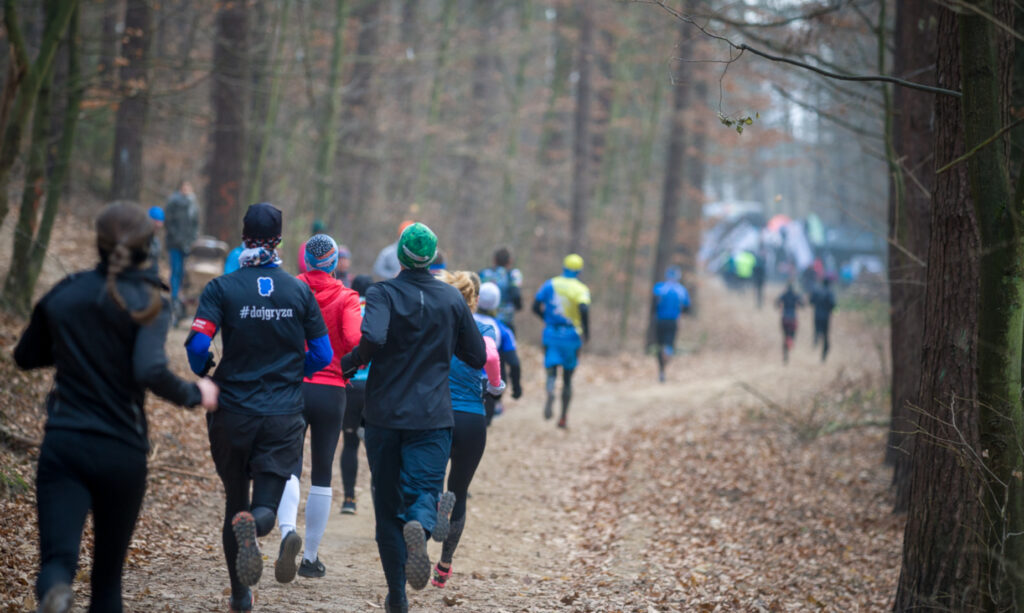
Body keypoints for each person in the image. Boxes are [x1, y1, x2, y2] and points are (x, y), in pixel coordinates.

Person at [14, 202, 219, 613]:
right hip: (121, 450)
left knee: (58, 559)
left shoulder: (66, 293)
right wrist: (197, 393)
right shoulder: (149, 301)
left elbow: (26, 356)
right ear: (148, 246)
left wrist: (76, 348)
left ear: (100, 243)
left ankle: (55, 591)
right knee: (107, 579)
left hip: (65, 443)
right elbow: (149, 368)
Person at [185, 202, 333, 612]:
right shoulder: (299, 290)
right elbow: (322, 354)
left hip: (232, 411)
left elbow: (198, 344)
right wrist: (292, 368)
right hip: (283, 414)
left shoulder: (221, 288)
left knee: (235, 500)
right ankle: (259, 524)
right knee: (263, 505)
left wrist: (207, 368)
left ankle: (239, 596)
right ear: (280, 240)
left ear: (243, 236)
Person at [339, 222, 486, 613]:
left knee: (387, 508)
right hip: (434, 416)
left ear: (401, 256)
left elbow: (373, 337)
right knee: (424, 492)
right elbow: (475, 355)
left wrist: (351, 363)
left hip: (385, 416)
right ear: (434, 257)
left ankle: (398, 597)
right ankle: (420, 527)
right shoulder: (453, 300)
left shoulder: (382, 292)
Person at [276, 234, 362, 579]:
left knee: (289, 463)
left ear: (307, 261)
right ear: (332, 262)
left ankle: (286, 534)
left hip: (292, 386)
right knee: (323, 469)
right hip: (331, 389)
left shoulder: (288, 289)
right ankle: (310, 558)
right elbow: (356, 340)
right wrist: (348, 365)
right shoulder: (347, 297)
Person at [430, 271, 504, 590]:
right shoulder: (485, 328)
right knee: (459, 489)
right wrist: (497, 386)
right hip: (472, 418)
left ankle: (432, 508)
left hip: (437, 415)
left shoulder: (436, 328)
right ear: (474, 300)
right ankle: (445, 566)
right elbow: (491, 356)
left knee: (427, 478)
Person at [532, 254, 591, 429]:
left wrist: (546, 319)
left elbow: (535, 306)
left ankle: (550, 391)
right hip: (571, 335)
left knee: (550, 370)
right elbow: (584, 308)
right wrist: (586, 332)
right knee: (567, 378)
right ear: (579, 271)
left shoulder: (550, 284)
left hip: (550, 333)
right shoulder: (580, 288)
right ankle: (563, 416)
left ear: (564, 267)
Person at [339, 274, 374, 515]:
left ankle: (349, 500)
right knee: (377, 447)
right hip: (374, 388)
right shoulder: (378, 312)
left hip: (350, 386)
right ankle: (380, 503)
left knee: (350, 443)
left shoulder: (347, 308)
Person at [476, 281, 522, 424]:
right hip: (488, 386)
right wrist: (516, 387)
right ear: (496, 304)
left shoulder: (463, 319)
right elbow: (513, 362)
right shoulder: (502, 330)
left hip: (460, 380)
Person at [164, 180, 200, 316]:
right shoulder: (173, 202)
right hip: (175, 243)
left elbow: (195, 224)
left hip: (188, 244)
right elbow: (169, 222)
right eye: (184, 187)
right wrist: (177, 238)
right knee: (176, 270)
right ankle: (174, 297)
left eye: (188, 187)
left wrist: (193, 240)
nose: (186, 190)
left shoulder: (193, 204)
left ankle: (183, 298)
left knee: (186, 272)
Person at [651, 266, 691, 383]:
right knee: (669, 345)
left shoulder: (659, 288)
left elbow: (653, 306)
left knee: (660, 345)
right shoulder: (681, 290)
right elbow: (687, 308)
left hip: (660, 320)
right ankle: (666, 361)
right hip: (673, 321)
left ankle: (661, 370)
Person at [479, 247, 523, 334]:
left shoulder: (483, 273)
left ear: (494, 260)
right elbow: (516, 295)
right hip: (505, 321)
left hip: (484, 321)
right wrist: (518, 306)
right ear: (510, 261)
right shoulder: (513, 274)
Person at [775, 281, 805, 364]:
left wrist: (779, 306)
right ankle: (790, 341)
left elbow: (777, 302)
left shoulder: (784, 295)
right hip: (792, 318)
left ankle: (785, 355)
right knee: (792, 334)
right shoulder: (796, 295)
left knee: (785, 336)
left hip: (785, 318)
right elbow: (802, 304)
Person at [809, 278, 837, 362]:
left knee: (817, 330)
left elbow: (811, 302)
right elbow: (833, 305)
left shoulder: (817, 291)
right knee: (825, 335)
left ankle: (816, 341)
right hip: (826, 317)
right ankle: (824, 354)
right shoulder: (830, 293)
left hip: (817, 315)